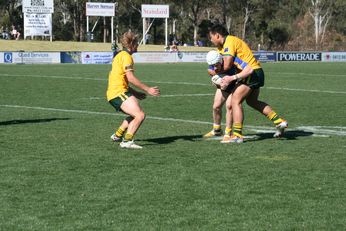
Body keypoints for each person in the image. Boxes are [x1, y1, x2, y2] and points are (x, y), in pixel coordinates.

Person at [208, 24, 288, 143]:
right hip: (256, 72)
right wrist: (218, 76)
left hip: (251, 73)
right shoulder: (224, 45)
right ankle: (279, 121)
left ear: (217, 35)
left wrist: (224, 78)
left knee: (235, 100)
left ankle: (237, 135)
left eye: (211, 37)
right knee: (252, 101)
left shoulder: (229, 42)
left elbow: (228, 65)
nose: (210, 40)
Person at [107, 31, 160, 149]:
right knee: (140, 115)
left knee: (134, 114)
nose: (138, 45)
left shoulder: (119, 55)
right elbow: (130, 77)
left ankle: (117, 135)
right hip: (118, 93)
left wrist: (135, 93)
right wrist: (148, 89)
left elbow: (121, 78)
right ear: (131, 44)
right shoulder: (126, 57)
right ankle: (127, 140)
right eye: (136, 43)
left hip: (116, 92)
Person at [204, 50, 238, 143]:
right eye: (213, 65)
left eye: (216, 65)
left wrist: (229, 79)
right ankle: (217, 130)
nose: (214, 67)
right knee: (216, 107)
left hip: (235, 84)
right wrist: (217, 79)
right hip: (224, 84)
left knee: (230, 106)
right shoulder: (214, 60)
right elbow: (210, 70)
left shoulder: (230, 61)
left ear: (221, 60)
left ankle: (228, 133)